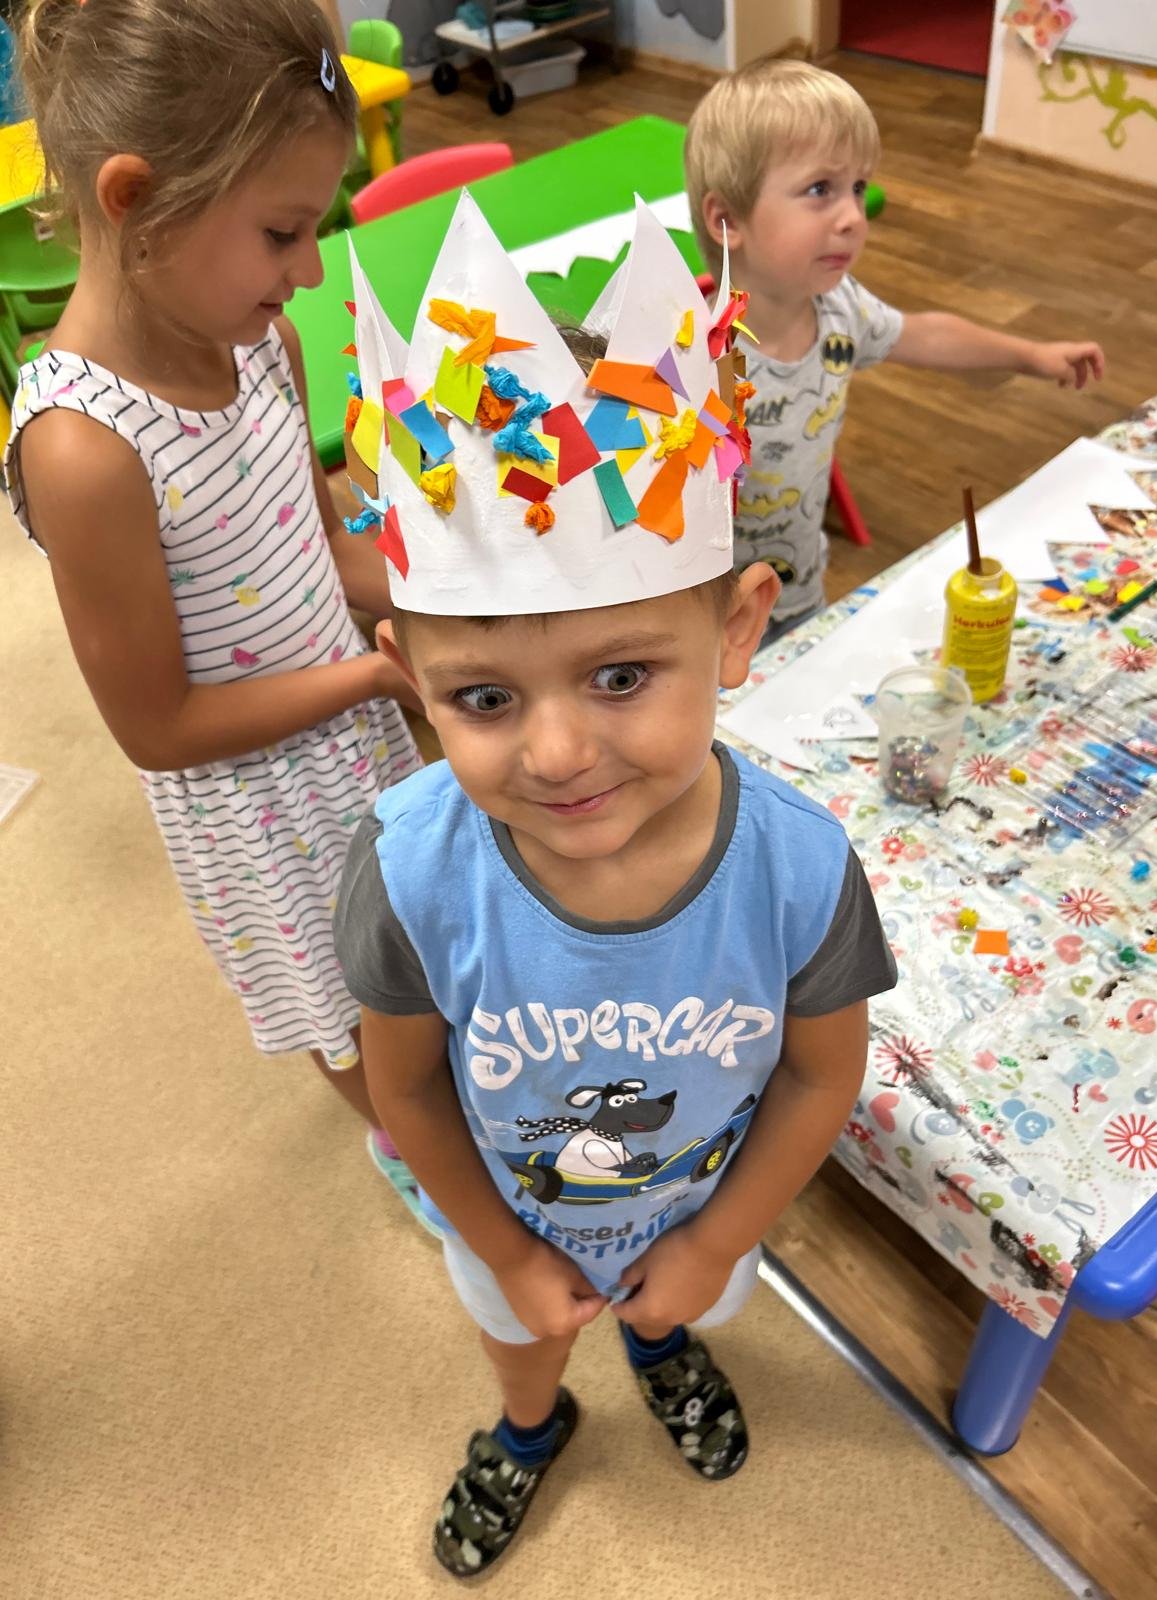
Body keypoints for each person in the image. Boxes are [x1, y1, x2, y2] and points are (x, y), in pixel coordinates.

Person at [332, 192, 898, 1577]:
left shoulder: (799, 869)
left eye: (624, 674)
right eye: (482, 697)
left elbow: (822, 1073)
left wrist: (712, 1246)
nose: (558, 754)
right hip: (504, 1220)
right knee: (521, 1339)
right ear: (409, 673)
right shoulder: (408, 875)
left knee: (665, 1303)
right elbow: (409, 1092)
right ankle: (529, 1425)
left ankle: (660, 1343)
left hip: (704, 1212)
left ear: (739, 627)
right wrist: (512, 1254)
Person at [4, 0, 428, 1219]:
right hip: (259, 808)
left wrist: (446, 594)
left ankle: (433, 1097)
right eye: (284, 232)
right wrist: (374, 674)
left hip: (355, 728)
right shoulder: (83, 449)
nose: (311, 271)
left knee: (412, 952)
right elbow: (160, 726)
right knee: (343, 1008)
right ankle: (408, 1145)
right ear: (136, 201)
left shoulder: (262, 344)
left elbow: (323, 548)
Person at [684, 57, 1106, 630]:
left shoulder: (842, 309)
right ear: (727, 221)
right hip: (705, 623)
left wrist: (1030, 355)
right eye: (820, 189)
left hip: (799, 594)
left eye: (857, 188)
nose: (853, 217)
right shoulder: (690, 357)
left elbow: (925, 333)